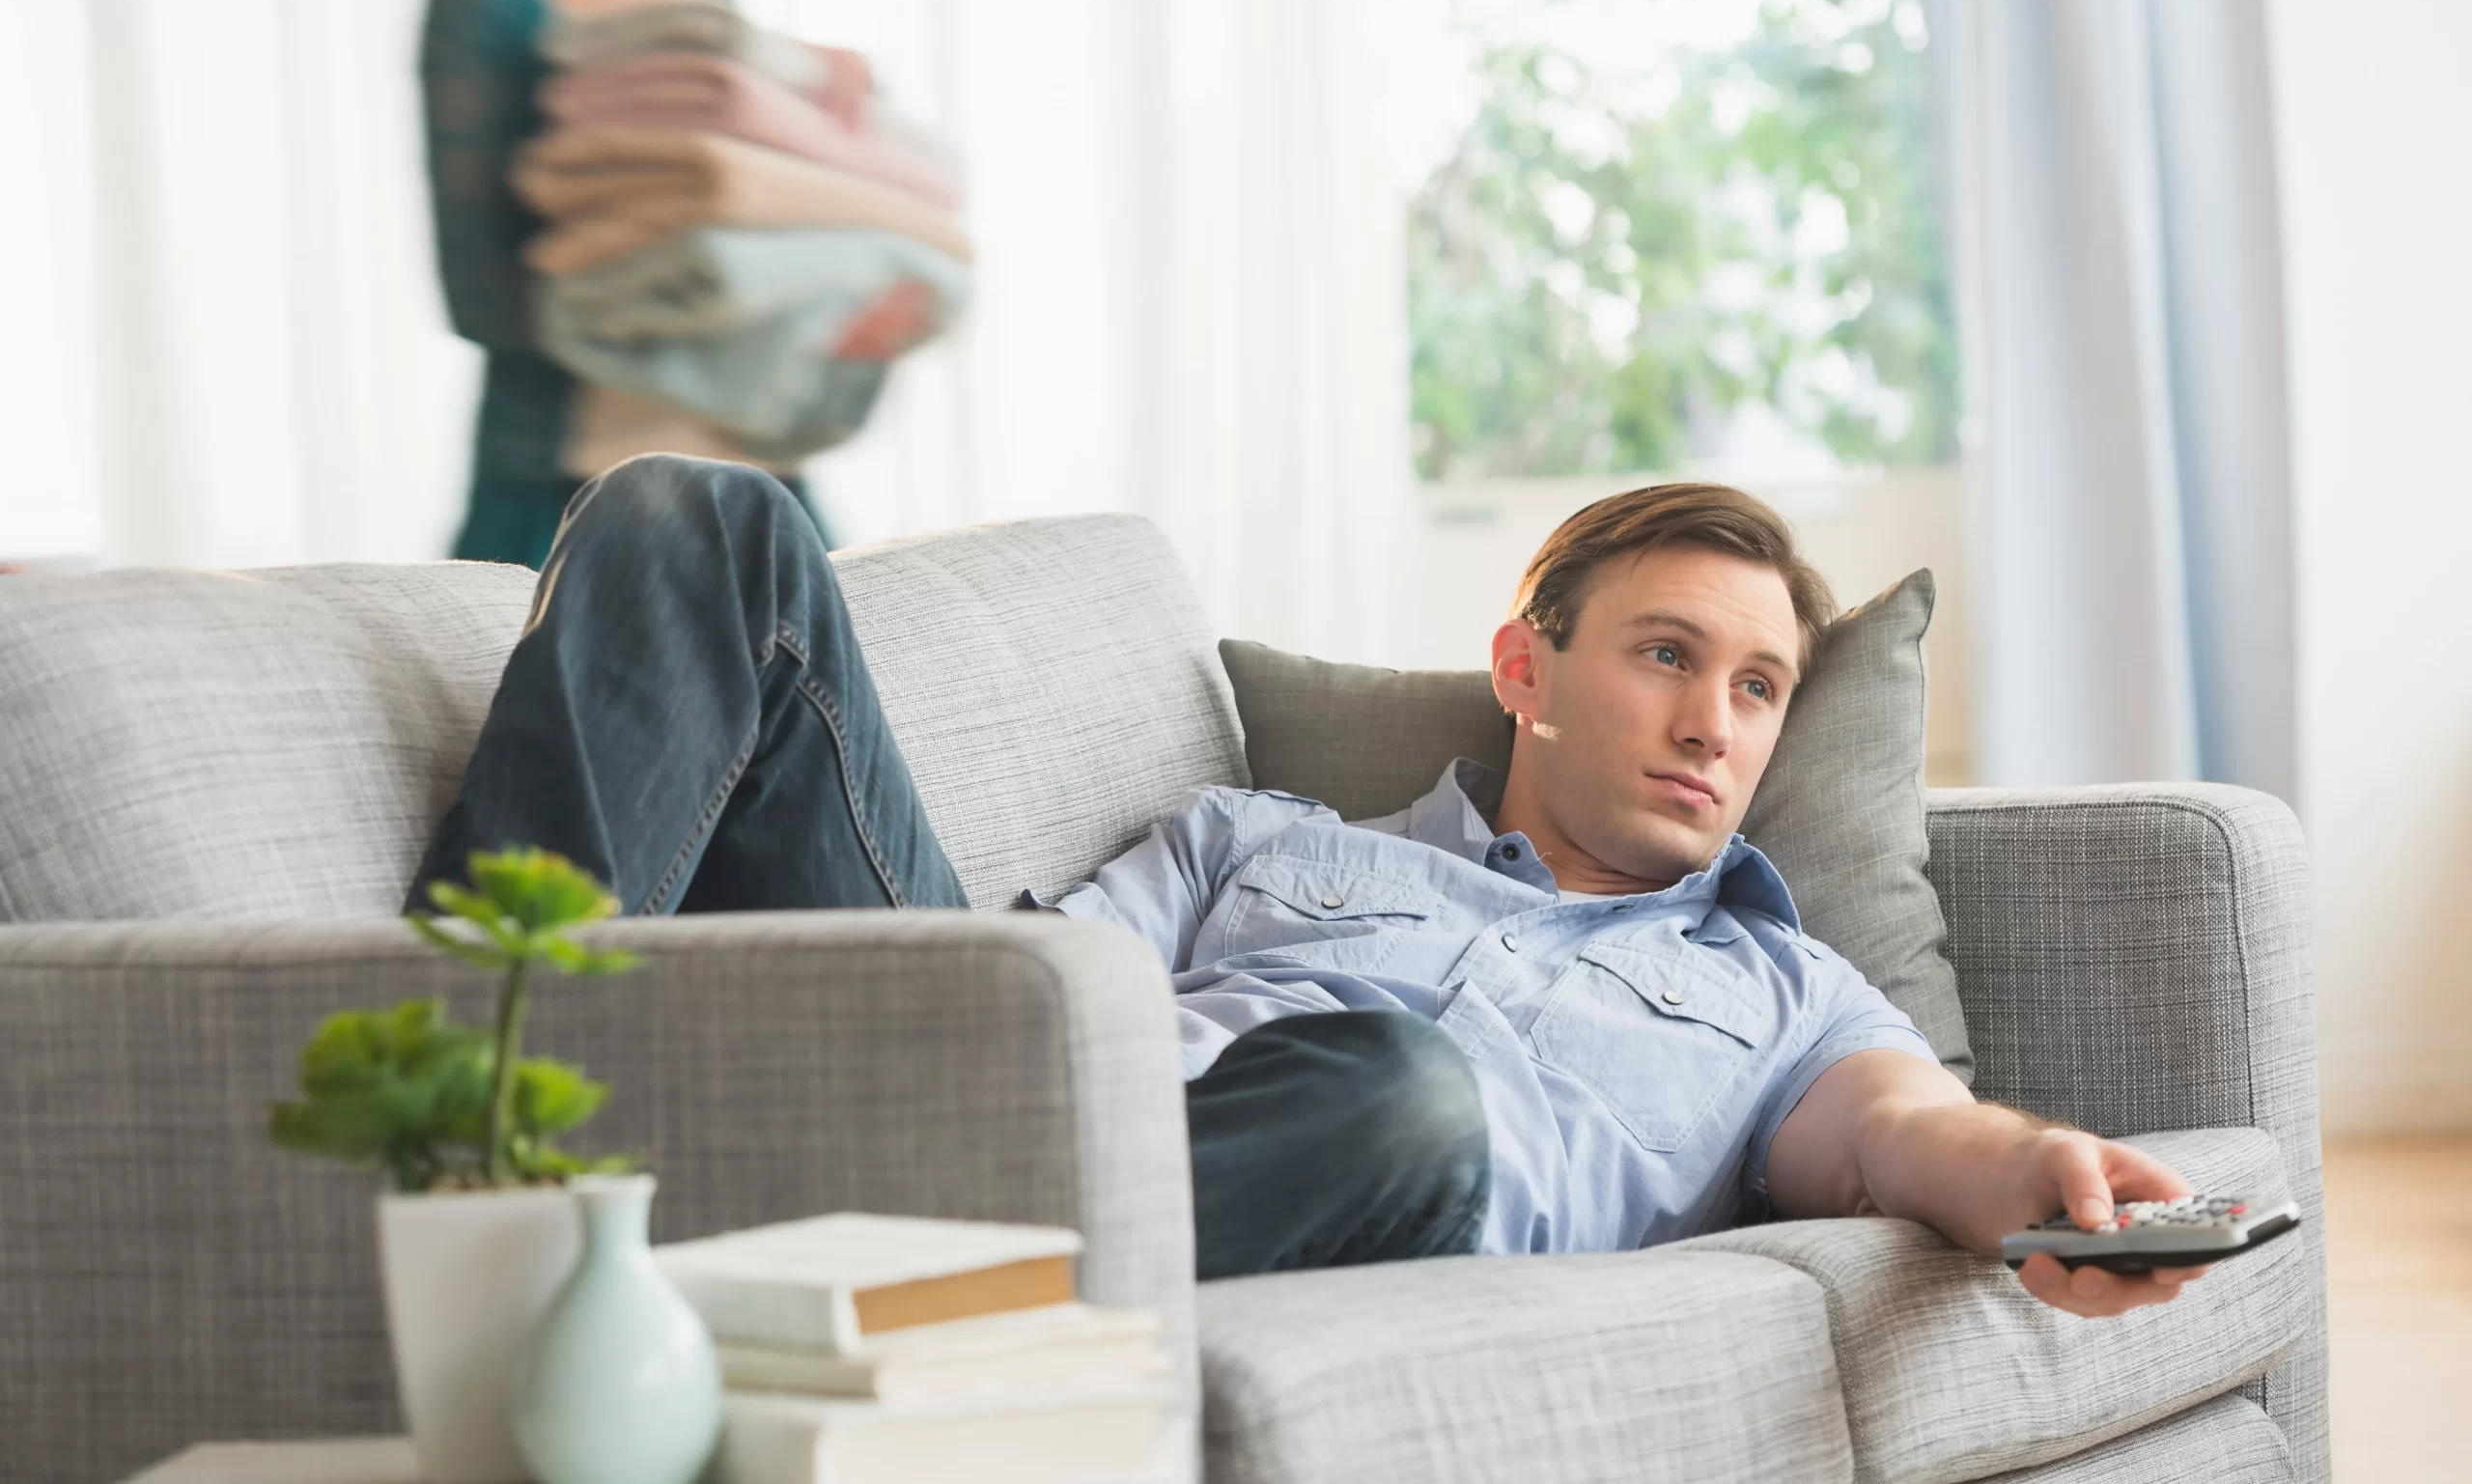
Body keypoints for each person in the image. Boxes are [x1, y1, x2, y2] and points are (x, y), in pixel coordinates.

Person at [418, 454, 2205, 1317]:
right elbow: (1023, 1010)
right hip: (1013, 1112)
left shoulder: (1782, 989)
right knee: (703, 513)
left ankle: (727, 1246)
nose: (1714, 723)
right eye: (1669, 653)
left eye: (1759, 687)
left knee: (1399, 1087)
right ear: (1524, 665)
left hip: (1337, 1183)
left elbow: (1909, 1132)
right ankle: (456, 1121)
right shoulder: (1259, 836)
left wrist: (2040, 1178)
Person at [420, 0, 862, 568]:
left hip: (744, 463)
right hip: (569, 480)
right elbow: (478, 287)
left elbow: (746, 198)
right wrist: (663, 296)